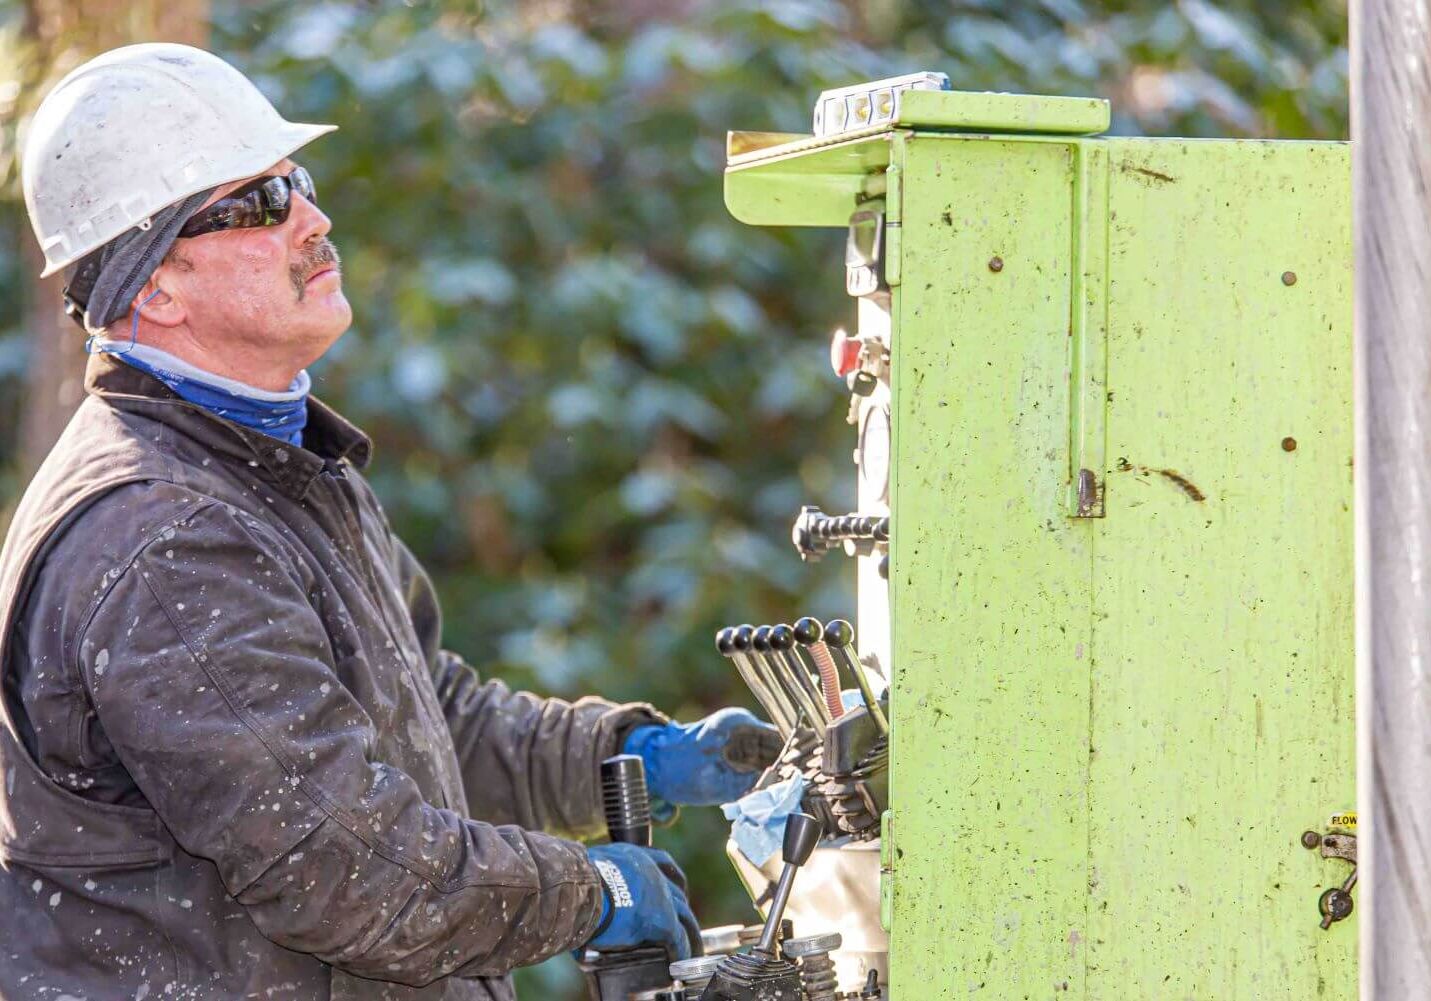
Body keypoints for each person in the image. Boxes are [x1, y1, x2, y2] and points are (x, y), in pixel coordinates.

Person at [0, 43, 782, 1000]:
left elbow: (422, 717)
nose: (313, 221)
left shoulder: (272, 468)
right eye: (256, 205)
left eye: (298, 183)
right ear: (150, 288)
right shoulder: (166, 536)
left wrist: (620, 757)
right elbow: (344, 866)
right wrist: (589, 889)